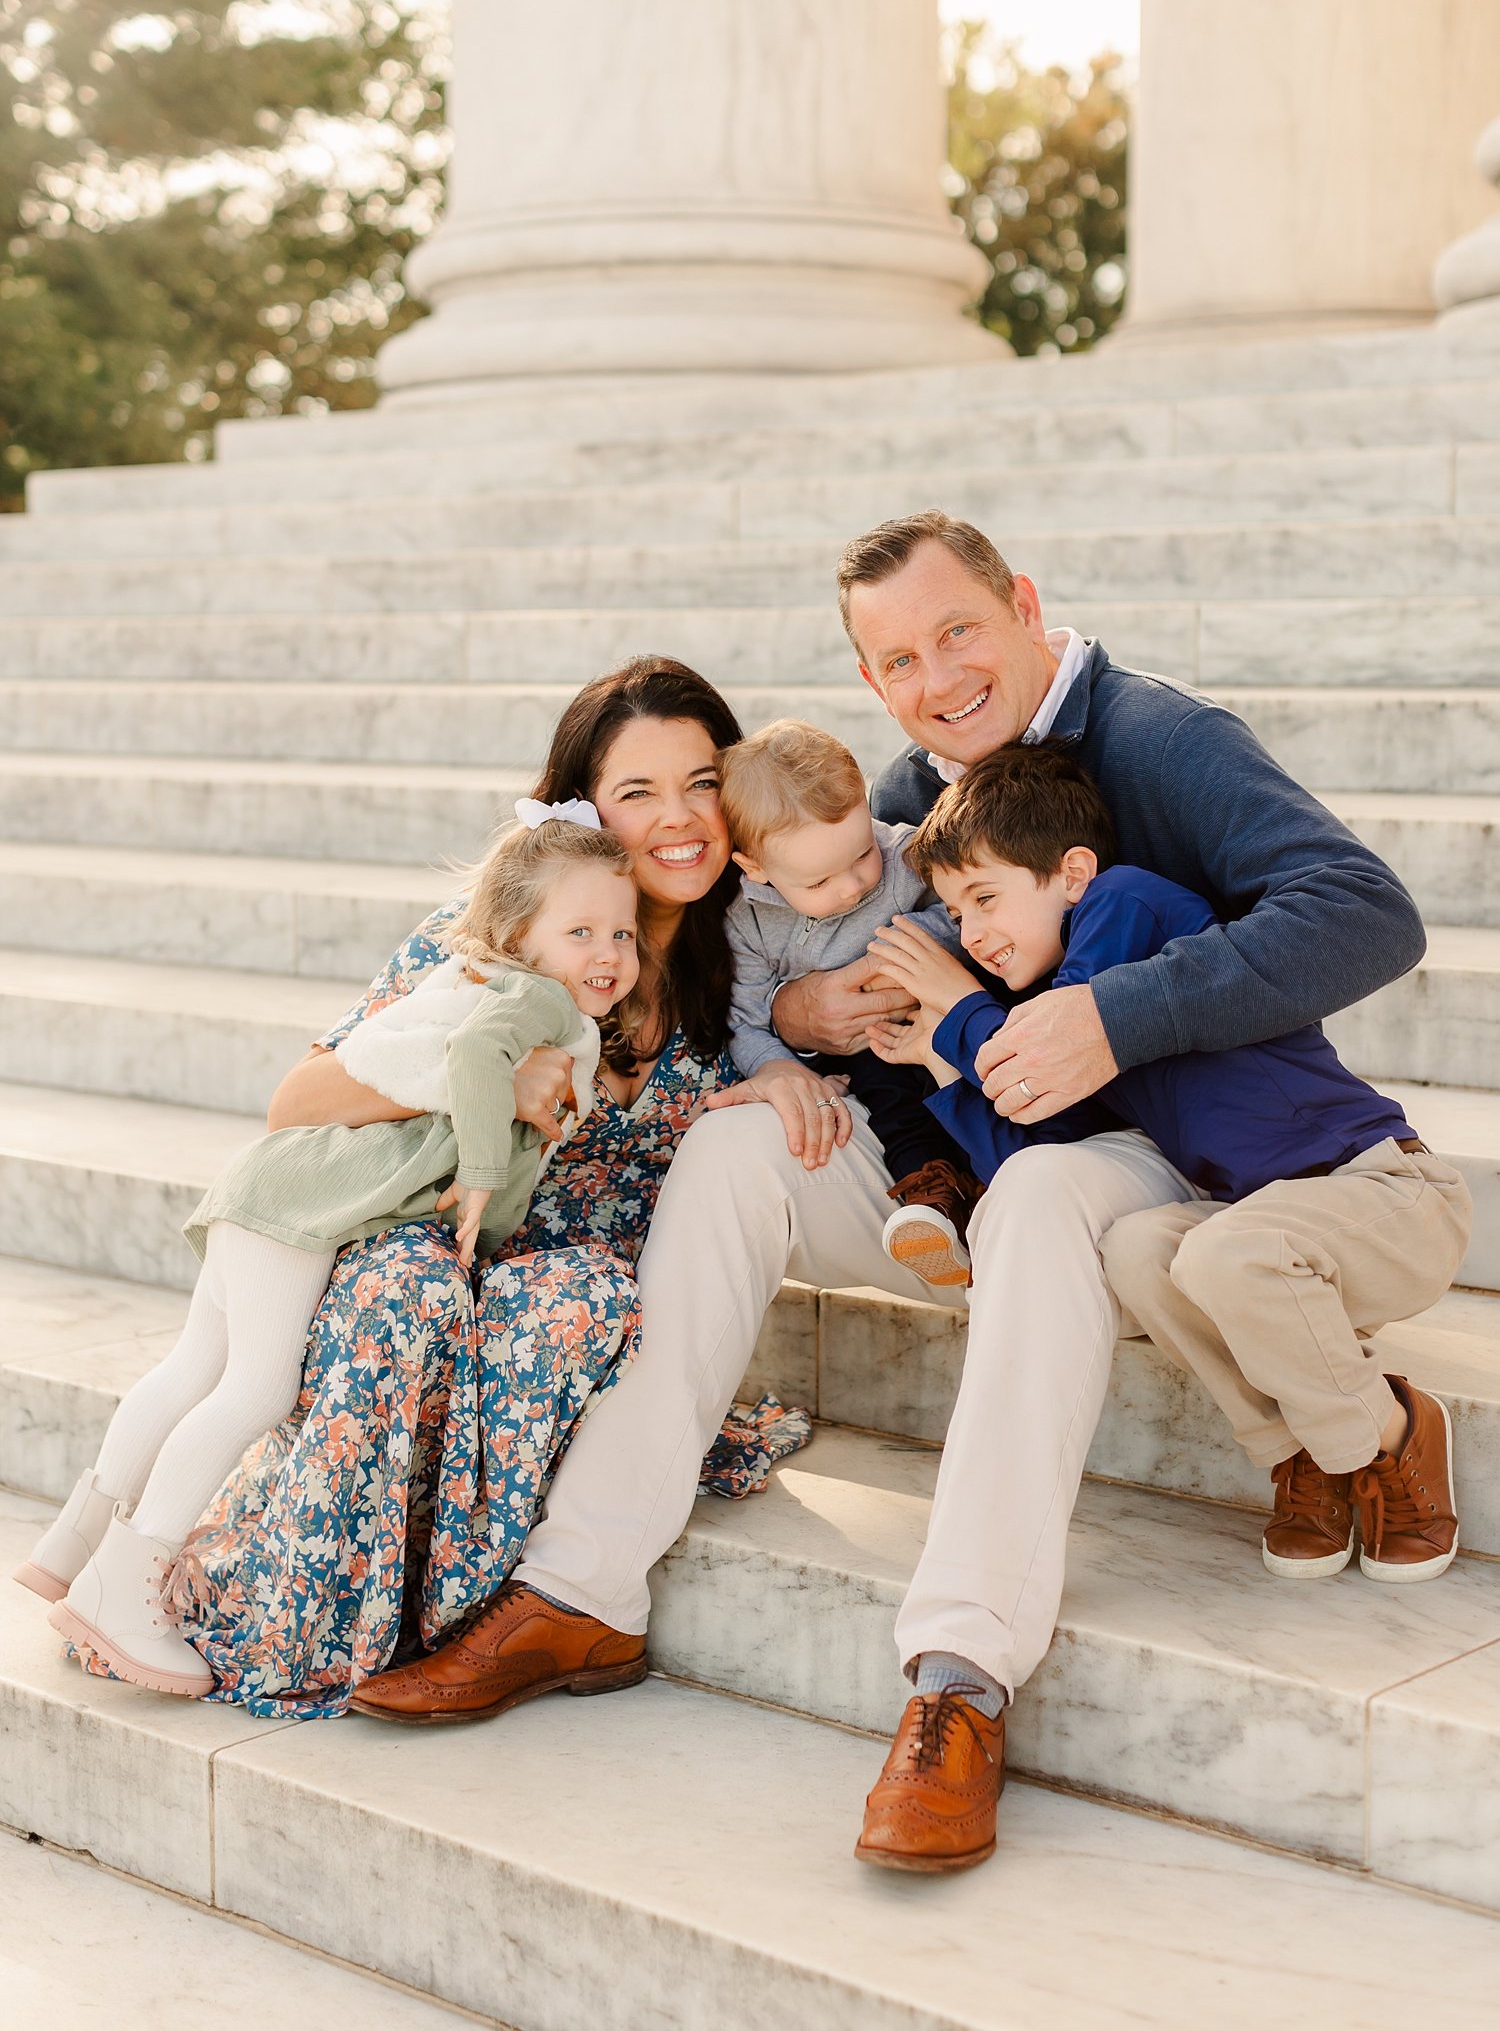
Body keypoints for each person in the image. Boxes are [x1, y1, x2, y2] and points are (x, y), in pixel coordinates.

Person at [350, 508, 1425, 1886]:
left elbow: (1368, 910)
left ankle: (960, 1675)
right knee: (739, 1150)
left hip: (1142, 1142)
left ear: (1027, 605)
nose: (937, 677)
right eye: (899, 658)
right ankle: (581, 1589)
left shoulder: (1161, 737)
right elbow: (820, 946)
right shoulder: (910, 783)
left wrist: (1113, 1019)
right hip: (947, 1147)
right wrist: (798, 1014)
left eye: (959, 631)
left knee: (1039, 1194)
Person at [65, 659, 825, 1721]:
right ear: (584, 810)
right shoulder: (498, 934)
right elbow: (299, 1099)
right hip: (428, 1230)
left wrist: (792, 1057)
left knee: (580, 1306)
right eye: (636, 793)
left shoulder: (748, 960)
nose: (679, 819)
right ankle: (274, 1610)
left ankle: (466, 1615)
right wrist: (486, 1078)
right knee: (403, 1297)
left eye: (700, 783)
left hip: (563, 1280)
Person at [23, 812, 642, 1698]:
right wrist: (478, 1175)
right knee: (255, 1390)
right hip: (303, 1206)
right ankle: (124, 1589)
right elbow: (475, 1062)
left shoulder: (480, 980)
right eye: (579, 932)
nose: (607, 952)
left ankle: (72, 1544)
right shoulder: (534, 1003)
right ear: (518, 938)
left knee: (192, 1367)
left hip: (276, 1185)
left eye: (620, 931)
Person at [866, 743, 1471, 1603]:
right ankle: (1299, 1449)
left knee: (1227, 1254)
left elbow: (1034, 1044)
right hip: (1272, 1229)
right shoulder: (1084, 1016)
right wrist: (940, 1063)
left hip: (1384, 1195)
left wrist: (957, 1010)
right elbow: (1036, 1136)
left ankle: (1388, 1435)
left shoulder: (1125, 905)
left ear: (1073, 873)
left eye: (985, 899)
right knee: (1137, 1248)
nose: (972, 937)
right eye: (956, 916)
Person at [718, 717, 982, 1288]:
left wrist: (909, 951)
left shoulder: (908, 855)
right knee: (894, 1103)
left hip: (933, 1017)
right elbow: (743, 1017)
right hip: (863, 1055)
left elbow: (967, 912)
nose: (852, 887)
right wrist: (778, 1066)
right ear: (755, 868)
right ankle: (934, 1203)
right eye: (817, 883)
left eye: (862, 854)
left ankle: (993, 1182)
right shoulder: (748, 919)